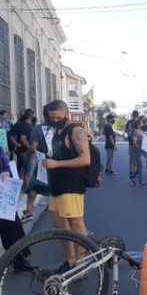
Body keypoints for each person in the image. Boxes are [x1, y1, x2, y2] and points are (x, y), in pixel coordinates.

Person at [41, 100, 90, 273]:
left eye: (58, 118)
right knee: (60, 225)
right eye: (52, 118)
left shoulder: (76, 131)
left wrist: (56, 164)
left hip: (71, 185)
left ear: (67, 114)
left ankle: (81, 262)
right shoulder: (56, 130)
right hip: (57, 185)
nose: (55, 121)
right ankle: (70, 260)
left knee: (75, 224)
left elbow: (85, 159)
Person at [0, 146, 35, 272]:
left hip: (2, 196)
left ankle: (19, 261)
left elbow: (6, 164)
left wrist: (7, 172)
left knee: (13, 227)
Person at [24, 105, 53, 222]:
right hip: (58, 162)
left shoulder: (37, 129)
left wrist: (27, 153)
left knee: (33, 187)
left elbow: (34, 147)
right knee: (57, 190)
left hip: (41, 162)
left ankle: (29, 212)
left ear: (43, 115)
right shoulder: (62, 128)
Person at [12, 109, 36, 181]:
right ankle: (21, 187)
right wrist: (31, 148)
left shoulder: (28, 125)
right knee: (25, 171)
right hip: (25, 151)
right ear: (31, 116)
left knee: (23, 169)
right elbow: (23, 138)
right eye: (34, 114)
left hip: (26, 151)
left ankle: (20, 186)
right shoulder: (26, 126)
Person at [129, 117, 147, 186]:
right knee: (140, 166)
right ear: (138, 124)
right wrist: (141, 150)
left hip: (141, 150)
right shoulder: (135, 132)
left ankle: (132, 176)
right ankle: (141, 181)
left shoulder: (141, 130)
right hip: (136, 151)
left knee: (140, 166)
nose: (142, 123)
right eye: (141, 123)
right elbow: (134, 142)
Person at [125, 110, 139, 177]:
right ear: (137, 115)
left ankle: (131, 170)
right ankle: (135, 170)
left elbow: (126, 131)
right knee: (136, 157)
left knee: (131, 157)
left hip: (131, 142)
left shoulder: (129, 122)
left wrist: (130, 136)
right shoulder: (138, 122)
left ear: (132, 115)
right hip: (138, 142)